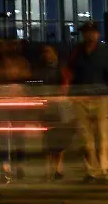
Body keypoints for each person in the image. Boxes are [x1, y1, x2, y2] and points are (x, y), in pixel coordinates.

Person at [68, 21, 108, 184]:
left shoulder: (104, 52)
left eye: (92, 32)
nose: (89, 35)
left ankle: (103, 170)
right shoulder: (78, 51)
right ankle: (92, 170)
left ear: (98, 34)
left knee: (103, 134)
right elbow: (71, 71)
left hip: (100, 96)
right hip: (81, 96)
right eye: (86, 32)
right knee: (86, 136)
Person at [0, 39, 31, 182]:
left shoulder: (22, 61)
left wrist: (11, 74)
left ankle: (19, 165)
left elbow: (26, 75)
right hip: (3, 101)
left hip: (17, 101)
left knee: (19, 135)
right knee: (4, 136)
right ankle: (5, 167)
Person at [38, 45, 73, 181]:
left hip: (58, 105)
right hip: (49, 105)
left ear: (55, 53)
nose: (47, 55)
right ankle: (52, 169)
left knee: (58, 137)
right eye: (45, 52)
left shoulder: (60, 68)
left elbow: (65, 86)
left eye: (48, 52)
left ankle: (57, 168)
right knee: (49, 138)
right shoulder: (46, 69)